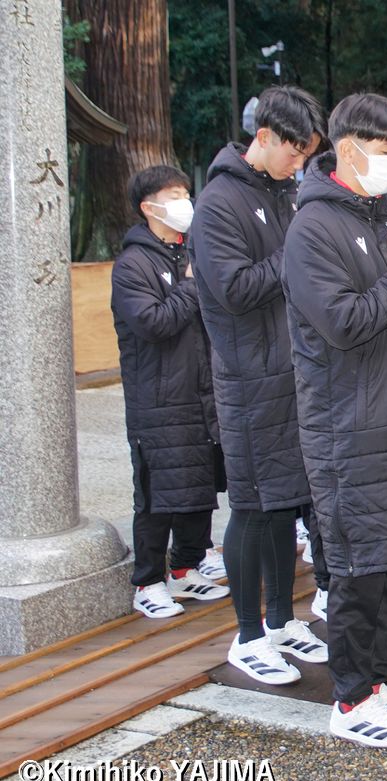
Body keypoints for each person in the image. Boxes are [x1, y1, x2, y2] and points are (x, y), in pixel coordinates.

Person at [283, 92, 387, 747]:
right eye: (386, 151)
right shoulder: (314, 227)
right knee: (359, 570)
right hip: (349, 428)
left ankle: (376, 684)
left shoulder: (382, 214)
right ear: (350, 150)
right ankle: (349, 700)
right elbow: (346, 323)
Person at [190, 85, 328, 685]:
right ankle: (246, 635)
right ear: (264, 138)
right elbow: (235, 288)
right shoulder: (220, 202)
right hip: (248, 379)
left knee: (284, 505)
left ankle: (278, 621)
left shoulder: (283, 193)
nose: (300, 164)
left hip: (291, 370)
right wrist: (296, 255)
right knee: (251, 508)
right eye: (294, 153)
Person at [112, 166, 230, 619]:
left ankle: (186, 565)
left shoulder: (182, 252)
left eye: (186, 192)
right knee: (158, 492)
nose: (186, 202)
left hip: (199, 391)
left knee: (199, 482)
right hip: (157, 399)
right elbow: (153, 322)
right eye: (175, 195)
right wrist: (190, 284)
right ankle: (147, 580)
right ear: (149, 206)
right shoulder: (132, 265)